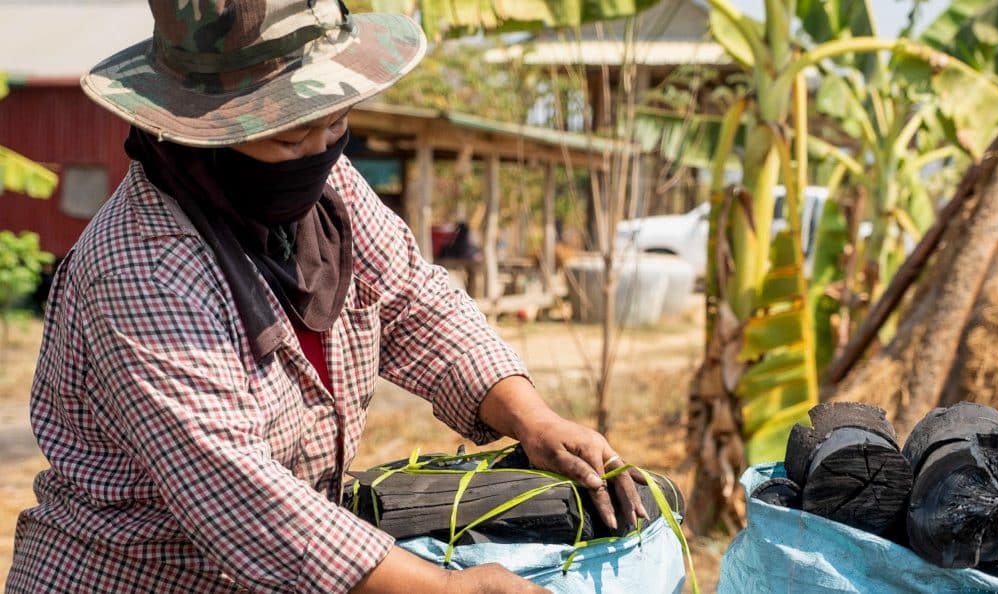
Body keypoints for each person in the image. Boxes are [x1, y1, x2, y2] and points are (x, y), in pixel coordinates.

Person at [4, 2, 646, 592]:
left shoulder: (324, 187)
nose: (319, 151)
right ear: (204, 132)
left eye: (334, 123)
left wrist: (533, 418)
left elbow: (411, 301)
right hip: (139, 577)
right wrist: (449, 588)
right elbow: (240, 498)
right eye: (289, 139)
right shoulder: (143, 270)